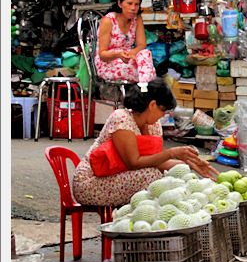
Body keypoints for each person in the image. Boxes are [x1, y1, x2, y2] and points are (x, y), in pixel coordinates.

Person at [72, 78, 217, 209]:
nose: (163, 115)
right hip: (92, 183)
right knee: (152, 176)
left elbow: (155, 161)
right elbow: (134, 163)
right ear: (153, 105)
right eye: (163, 110)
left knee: (177, 173)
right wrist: (172, 153)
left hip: (119, 176)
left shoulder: (154, 125)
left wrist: (189, 164)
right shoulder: (122, 118)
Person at [95, 0, 157, 85]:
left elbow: (141, 45)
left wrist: (130, 54)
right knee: (141, 71)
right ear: (120, 4)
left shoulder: (137, 19)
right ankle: (146, 89)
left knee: (145, 54)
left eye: (136, 4)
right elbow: (102, 55)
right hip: (108, 63)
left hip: (128, 57)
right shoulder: (108, 20)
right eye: (129, 3)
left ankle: (145, 87)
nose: (133, 8)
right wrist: (119, 54)